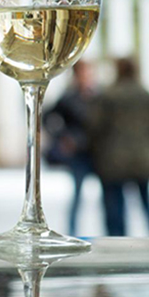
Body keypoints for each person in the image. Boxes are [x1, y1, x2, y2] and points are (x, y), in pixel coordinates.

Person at [89, 58, 149, 236]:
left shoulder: (108, 96)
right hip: (142, 159)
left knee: (114, 206)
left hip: (113, 160)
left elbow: (95, 127)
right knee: (146, 202)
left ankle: (117, 242)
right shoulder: (147, 96)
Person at [45, 61, 96, 237]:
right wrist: (62, 137)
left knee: (109, 196)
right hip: (79, 154)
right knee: (77, 195)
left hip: (98, 152)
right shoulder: (68, 97)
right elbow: (48, 117)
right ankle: (73, 232)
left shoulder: (97, 95)